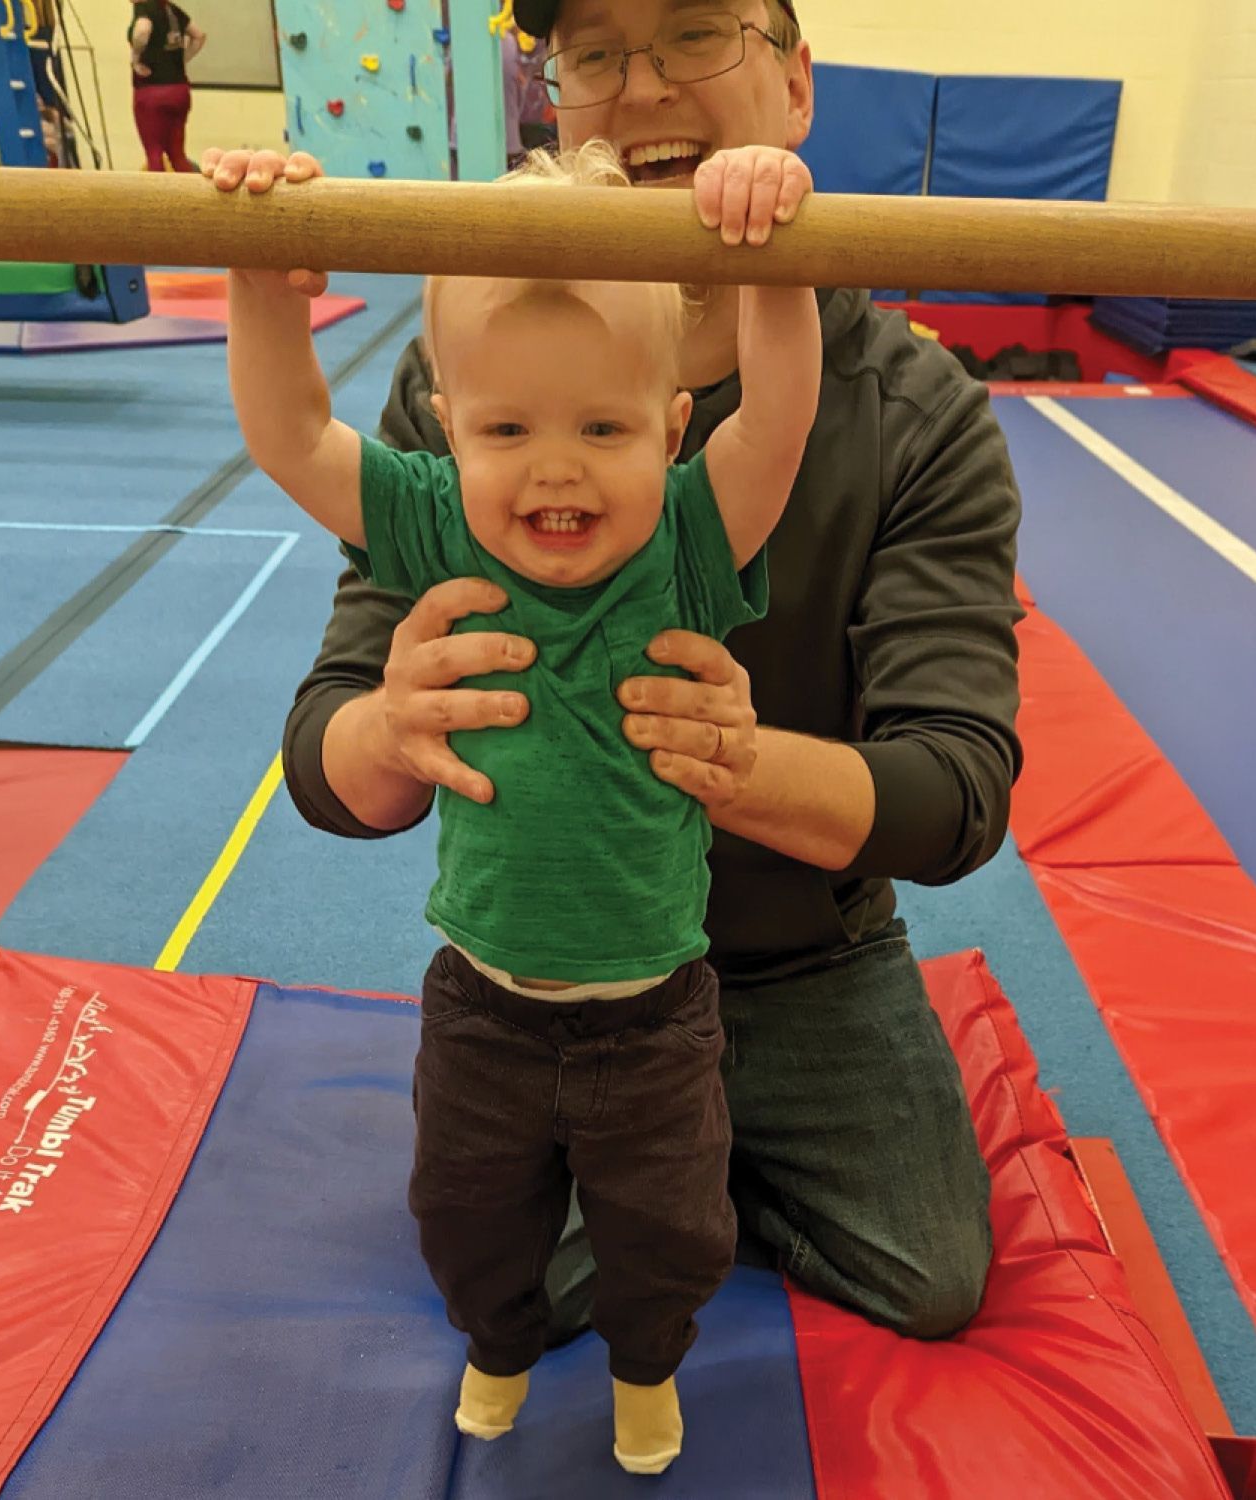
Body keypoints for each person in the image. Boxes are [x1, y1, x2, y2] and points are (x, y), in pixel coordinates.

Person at [277, 0, 1020, 1373]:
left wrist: (740, 762)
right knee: (510, 1279)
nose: (643, 89)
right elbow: (323, 758)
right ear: (553, 97)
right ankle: (671, 1168)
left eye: (694, 35)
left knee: (931, 1273)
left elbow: (959, 794)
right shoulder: (469, 384)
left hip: (806, 959)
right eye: (596, 53)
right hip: (553, 971)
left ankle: (688, 1157)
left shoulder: (916, 414)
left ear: (797, 86)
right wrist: (393, 725)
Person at [207, 137, 821, 1473]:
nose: (554, 473)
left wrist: (777, 264)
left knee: (671, 1226)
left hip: (653, 1012)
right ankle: (498, 1334)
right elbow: (291, 436)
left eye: (602, 429)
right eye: (507, 430)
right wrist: (266, 285)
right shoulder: (431, 525)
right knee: (466, 1208)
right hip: (483, 1002)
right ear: (443, 427)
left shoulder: (688, 540)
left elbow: (775, 423)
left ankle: (647, 1362)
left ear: (670, 430)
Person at [127, 0, 205, 172]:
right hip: (179, 90)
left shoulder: (143, 8)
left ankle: (156, 198)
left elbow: (142, 30)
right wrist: (182, 60)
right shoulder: (173, 9)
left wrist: (136, 58)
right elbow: (199, 36)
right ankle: (190, 195)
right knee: (178, 155)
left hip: (152, 91)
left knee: (154, 154)